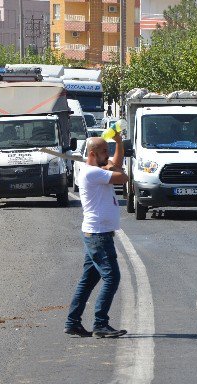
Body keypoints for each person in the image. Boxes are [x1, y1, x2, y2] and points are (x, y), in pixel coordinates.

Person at [65, 134, 129, 338]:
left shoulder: (95, 170)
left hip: (97, 233)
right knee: (112, 277)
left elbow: (115, 166)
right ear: (92, 154)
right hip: (98, 235)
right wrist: (112, 167)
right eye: (104, 152)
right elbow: (123, 177)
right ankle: (101, 324)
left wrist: (118, 144)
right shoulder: (92, 173)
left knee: (88, 280)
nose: (108, 156)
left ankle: (72, 322)